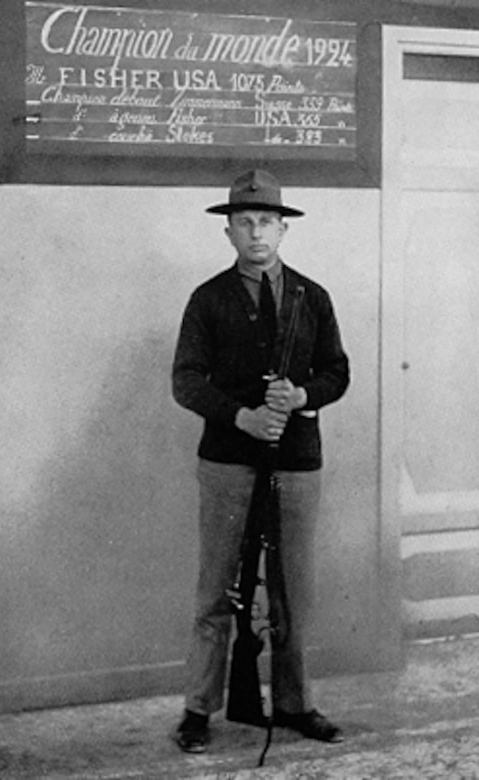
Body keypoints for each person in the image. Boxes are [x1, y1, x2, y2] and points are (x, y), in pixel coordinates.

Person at [171, 169, 350, 754]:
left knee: (293, 590)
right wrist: (241, 416)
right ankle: (199, 711)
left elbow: (336, 372)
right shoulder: (208, 299)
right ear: (227, 232)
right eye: (244, 222)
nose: (256, 233)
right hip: (227, 459)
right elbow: (186, 382)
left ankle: (295, 703)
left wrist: (301, 397)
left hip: (296, 460)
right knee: (216, 591)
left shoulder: (312, 296)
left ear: (282, 229)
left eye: (266, 222)